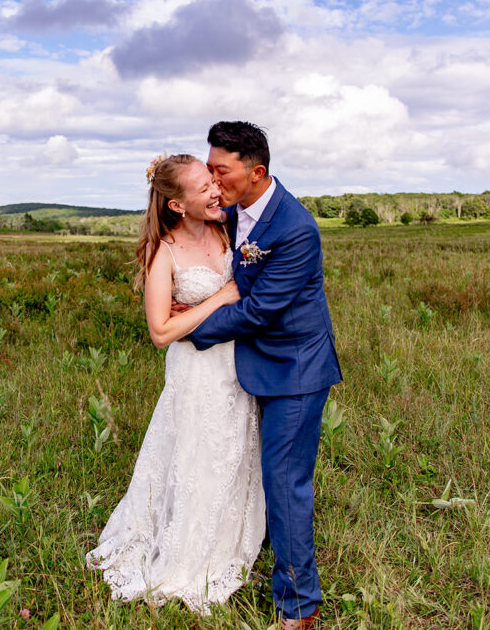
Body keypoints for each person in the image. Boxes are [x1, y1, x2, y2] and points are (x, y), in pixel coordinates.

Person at [86, 154, 265, 614]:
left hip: (236, 363)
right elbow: (161, 332)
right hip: (194, 370)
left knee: (234, 449)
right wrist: (220, 299)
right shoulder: (162, 252)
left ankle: (229, 535)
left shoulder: (229, 228)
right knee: (195, 452)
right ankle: (185, 547)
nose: (214, 190)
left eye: (213, 181)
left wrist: (213, 307)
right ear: (177, 206)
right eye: (203, 187)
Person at [190, 121, 342, 629]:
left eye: (220, 171)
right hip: (248, 367)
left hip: (294, 369)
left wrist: (186, 329)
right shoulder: (229, 212)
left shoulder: (296, 228)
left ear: (256, 172)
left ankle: (300, 605)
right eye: (208, 170)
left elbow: (259, 311)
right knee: (247, 471)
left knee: (285, 481)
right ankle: (251, 559)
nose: (213, 181)